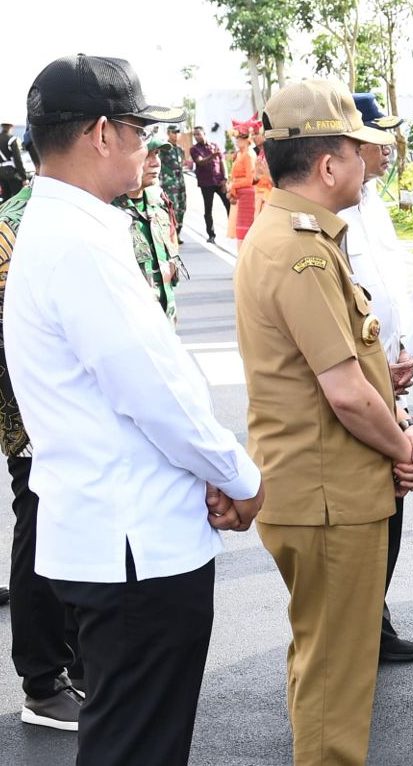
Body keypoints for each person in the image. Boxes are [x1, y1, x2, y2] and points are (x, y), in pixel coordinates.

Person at [6, 53, 263, 765]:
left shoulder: (66, 229)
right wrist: (240, 476)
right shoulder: (79, 242)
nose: (145, 145)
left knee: (126, 739)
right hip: (135, 544)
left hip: (113, 532)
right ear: (99, 133)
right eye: (136, 129)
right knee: (138, 745)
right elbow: (157, 390)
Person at [235, 79, 413, 766]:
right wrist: (404, 442)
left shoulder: (291, 233)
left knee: (319, 662)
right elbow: (344, 392)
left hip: (317, 491)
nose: (367, 165)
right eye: (359, 151)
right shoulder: (304, 248)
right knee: (337, 682)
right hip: (328, 498)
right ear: (327, 164)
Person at [339, 92, 413, 664]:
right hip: (357, 381)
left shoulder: (371, 201)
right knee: (369, 511)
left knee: (391, 505)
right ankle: (361, 626)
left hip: (390, 374)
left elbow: (392, 287)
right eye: (379, 139)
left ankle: (375, 617)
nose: (390, 150)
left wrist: (408, 353)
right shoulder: (331, 213)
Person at [0, 177, 88, 735]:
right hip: (37, 419)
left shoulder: (88, 212)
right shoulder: (15, 224)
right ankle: (42, 681)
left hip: (81, 419)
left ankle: (77, 665)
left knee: (77, 537)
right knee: (40, 540)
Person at [114, 139, 184, 321]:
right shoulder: (107, 211)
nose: (156, 162)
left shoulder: (159, 201)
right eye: (147, 155)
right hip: (130, 325)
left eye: (157, 154)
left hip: (165, 321)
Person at [190, 125, 231, 243]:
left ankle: (233, 229)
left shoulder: (214, 146)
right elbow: (200, 162)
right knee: (208, 209)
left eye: (198, 134)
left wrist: (225, 178)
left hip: (219, 182)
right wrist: (212, 156)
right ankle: (211, 234)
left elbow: (222, 162)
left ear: (204, 134)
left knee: (229, 205)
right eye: (195, 135)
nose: (197, 136)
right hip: (206, 183)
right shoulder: (194, 149)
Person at [230, 120, 263, 240]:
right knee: (239, 230)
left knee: (245, 231)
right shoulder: (239, 154)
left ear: (247, 140)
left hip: (247, 194)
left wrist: (234, 185)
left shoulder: (249, 155)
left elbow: (249, 180)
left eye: (241, 138)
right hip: (240, 194)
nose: (238, 141)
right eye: (237, 138)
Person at [158, 126, 188, 233]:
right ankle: (171, 233)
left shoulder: (180, 149)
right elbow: (159, 164)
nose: (176, 135)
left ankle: (178, 231)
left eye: (178, 132)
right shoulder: (164, 148)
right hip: (169, 183)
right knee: (172, 207)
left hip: (180, 182)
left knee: (182, 207)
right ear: (168, 133)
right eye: (174, 132)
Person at [0, 123, 25, 200]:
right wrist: (24, 177)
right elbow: (17, 159)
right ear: (11, 127)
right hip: (12, 172)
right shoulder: (11, 139)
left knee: (5, 198)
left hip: (1, 172)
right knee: (17, 198)